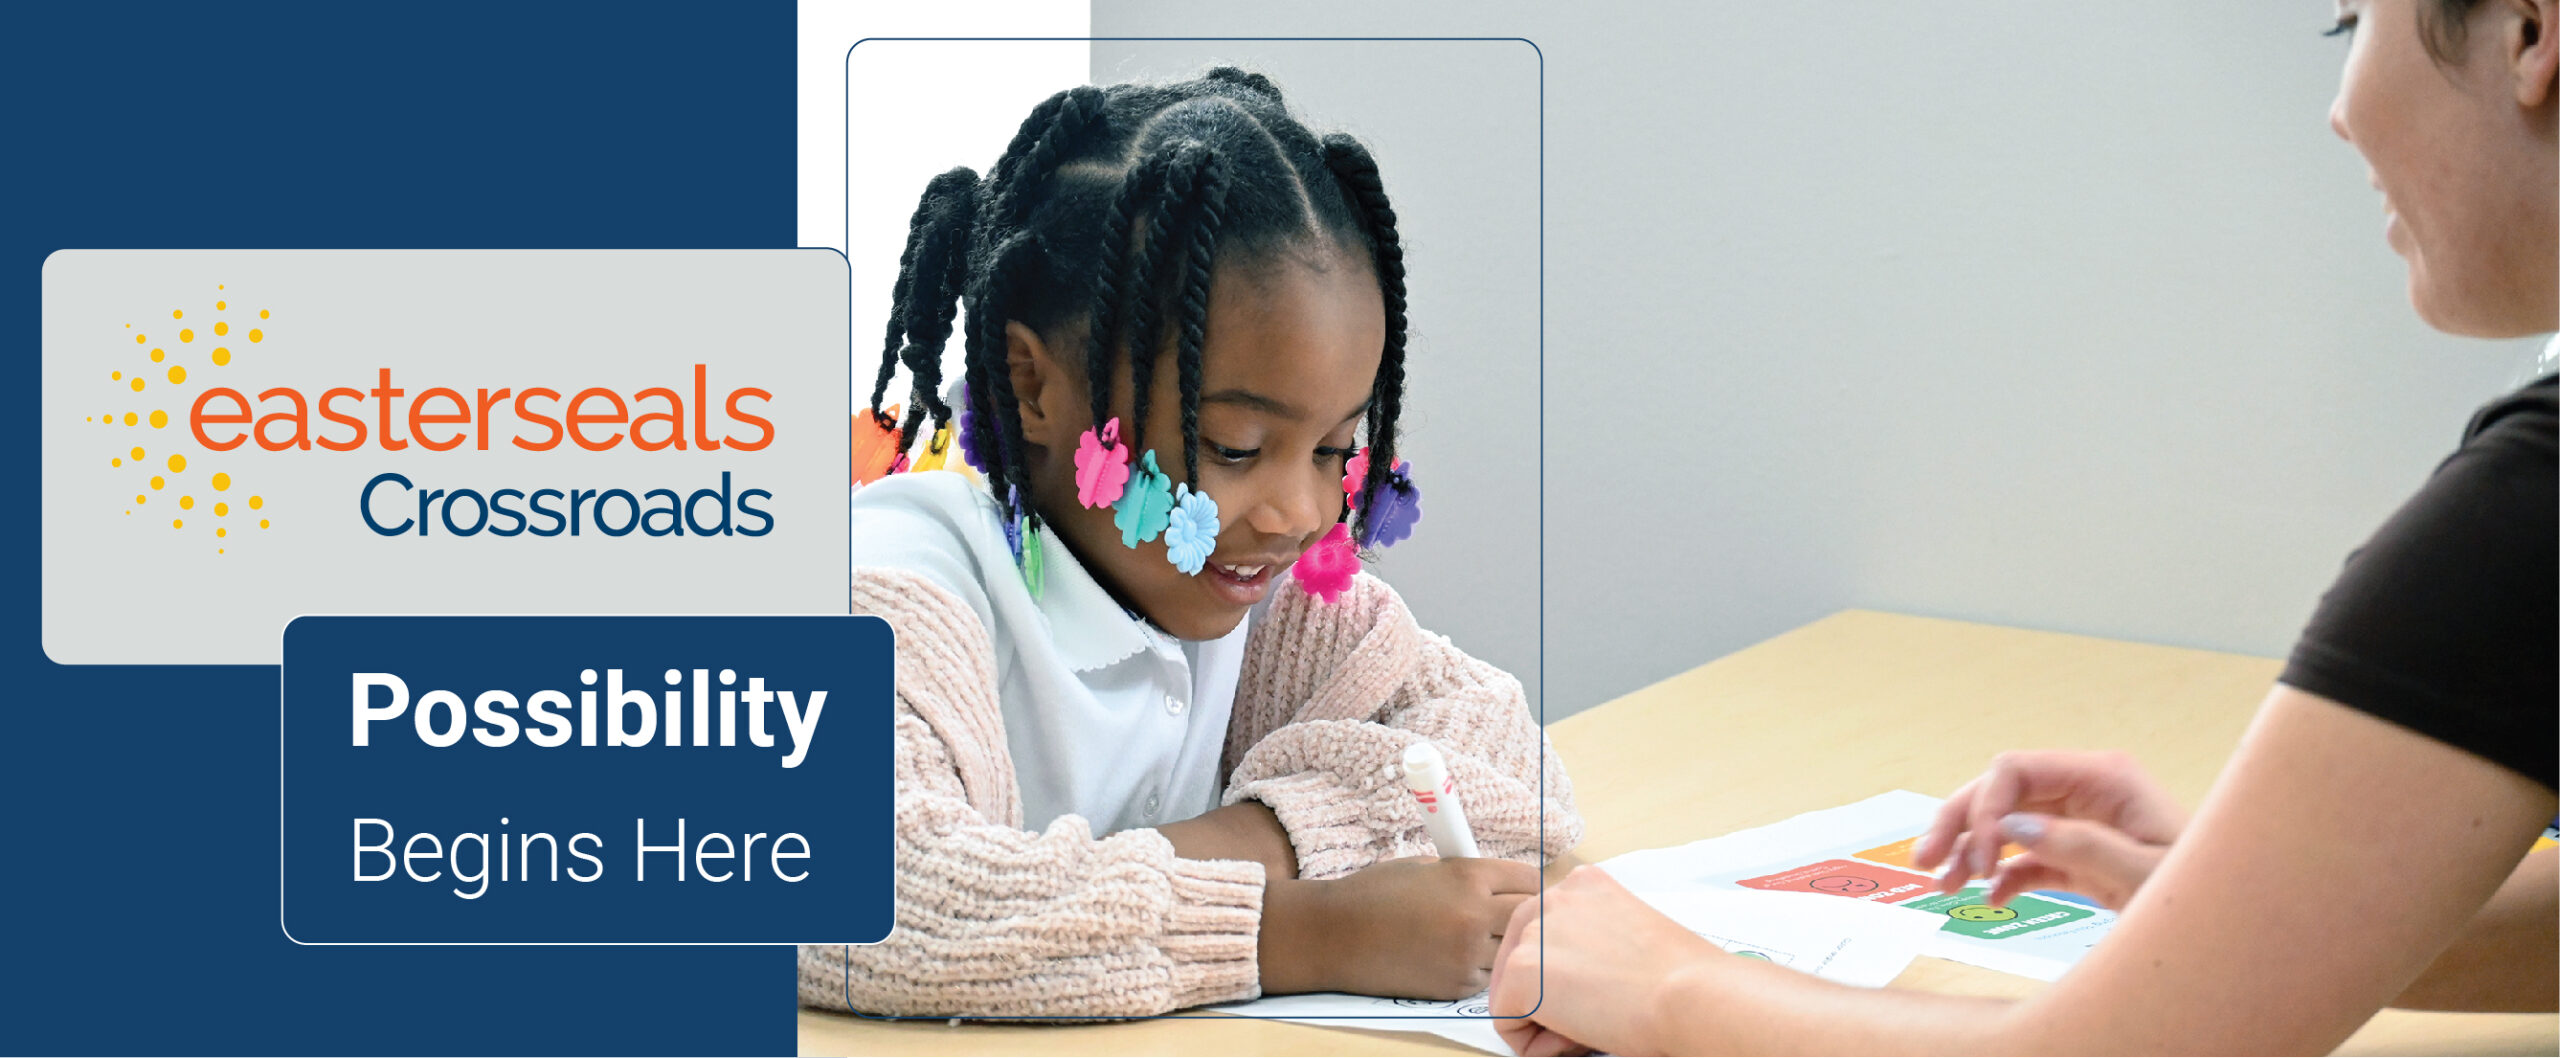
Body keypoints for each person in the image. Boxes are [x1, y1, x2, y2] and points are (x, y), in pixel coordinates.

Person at [1490, 0, 2556, 1051]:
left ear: (2528, 32)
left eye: (2349, 21)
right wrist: (2245, 899)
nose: (2336, 109)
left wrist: (1670, 986)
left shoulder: (2523, 520)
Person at [796, 68, 1580, 1019]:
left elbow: (1505, 763)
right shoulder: (877, 592)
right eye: (1236, 448)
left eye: (1335, 448)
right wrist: (1301, 929)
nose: (1297, 512)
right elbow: (856, 896)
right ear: (1033, 387)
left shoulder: (1250, 586)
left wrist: (1270, 835)